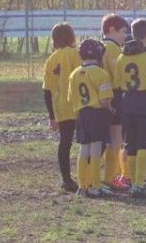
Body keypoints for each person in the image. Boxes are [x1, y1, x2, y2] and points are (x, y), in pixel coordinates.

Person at [114, 19, 146, 197]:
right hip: (145, 100)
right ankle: (138, 184)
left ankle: (132, 180)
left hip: (127, 101)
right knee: (143, 143)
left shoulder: (121, 57)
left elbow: (117, 84)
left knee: (131, 143)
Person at [68, 39, 114, 197]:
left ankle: (83, 185)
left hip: (81, 113)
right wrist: (111, 109)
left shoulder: (73, 74)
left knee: (84, 149)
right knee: (95, 149)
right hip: (97, 114)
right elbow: (104, 100)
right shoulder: (101, 73)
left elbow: (71, 98)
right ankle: (96, 184)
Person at [43, 23, 82, 193]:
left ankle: (66, 179)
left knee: (65, 144)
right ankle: (88, 176)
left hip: (61, 107)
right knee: (88, 142)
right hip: (80, 104)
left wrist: (51, 116)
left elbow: (47, 90)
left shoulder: (51, 59)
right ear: (72, 37)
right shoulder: (75, 54)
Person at [100, 14, 130, 190]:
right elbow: (119, 74)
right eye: (124, 31)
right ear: (111, 29)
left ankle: (104, 176)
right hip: (114, 96)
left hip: (101, 97)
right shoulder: (112, 48)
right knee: (116, 138)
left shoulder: (99, 46)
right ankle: (111, 177)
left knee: (107, 139)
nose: (126, 36)